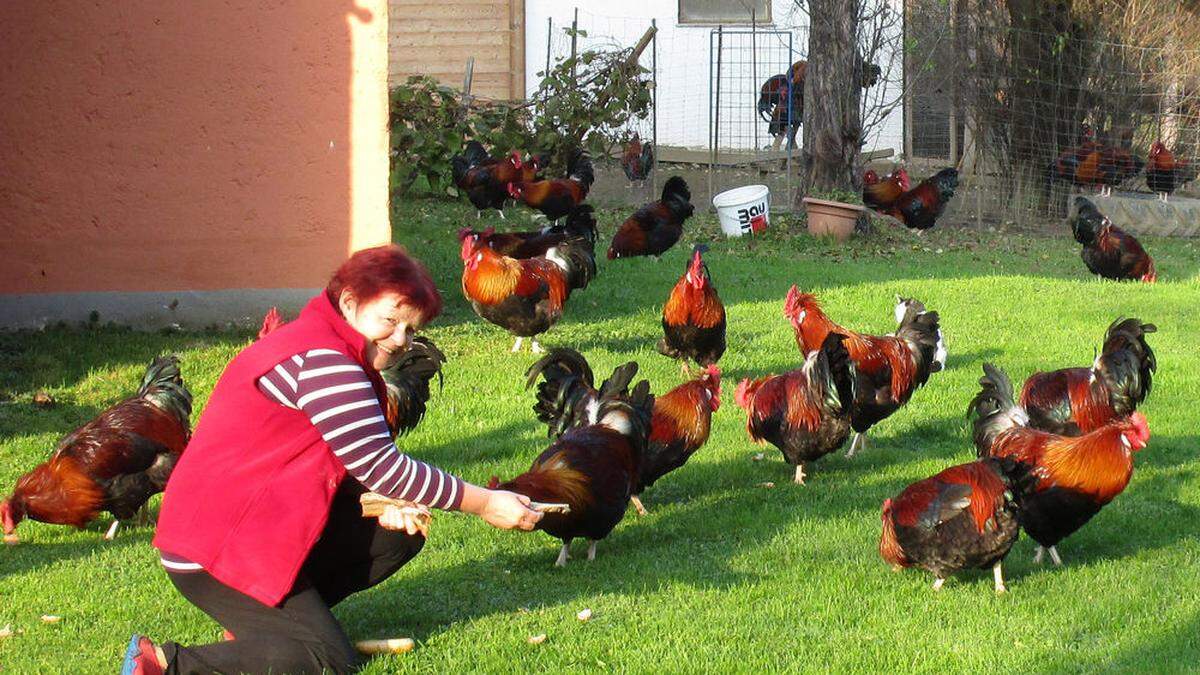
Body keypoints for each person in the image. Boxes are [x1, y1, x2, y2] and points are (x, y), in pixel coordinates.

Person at [122, 244, 542, 674]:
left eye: (411, 330)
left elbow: (334, 463)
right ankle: (162, 665)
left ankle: (267, 628)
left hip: (245, 528)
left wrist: (383, 500)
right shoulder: (327, 362)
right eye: (390, 321)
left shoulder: (318, 340)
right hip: (214, 547)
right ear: (349, 302)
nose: (401, 340)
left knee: (397, 532)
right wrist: (486, 502)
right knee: (326, 663)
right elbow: (383, 467)